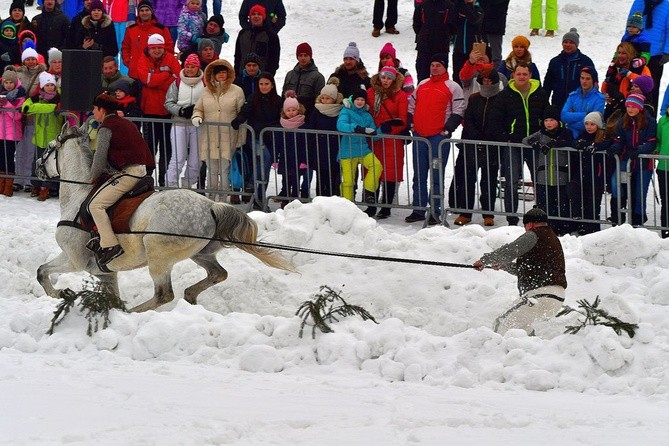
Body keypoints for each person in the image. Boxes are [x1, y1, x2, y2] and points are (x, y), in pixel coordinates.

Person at [473, 206, 567, 336]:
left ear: (530, 224)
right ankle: (532, 351)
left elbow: (511, 250)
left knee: (502, 324)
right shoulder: (551, 238)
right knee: (520, 329)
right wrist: (505, 266)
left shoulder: (533, 235)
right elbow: (529, 269)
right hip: (555, 297)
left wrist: (484, 260)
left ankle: (495, 353)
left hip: (540, 294)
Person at [87, 93, 155, 268]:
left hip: (129, 173)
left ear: (102, 110)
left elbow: (100, 156)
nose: (93, 112)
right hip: (142, 170)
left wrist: (93, 175)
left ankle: (110, 245)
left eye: (95, 109)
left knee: (95, 205)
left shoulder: (106, 127)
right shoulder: (127, 123)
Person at [405, 53, 465, 225]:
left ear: (445, 67)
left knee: (436, 175)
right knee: (419, 173)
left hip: (438, 138)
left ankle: (435, 210)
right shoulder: (423, 84)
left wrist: (447, 129)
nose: (434, 68)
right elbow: (411, 105)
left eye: (438, 65)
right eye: (432, 65)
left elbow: (459, 109)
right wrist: (411, 124)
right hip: (420, 137)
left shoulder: (453, 86)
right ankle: (418, 208)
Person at [489, 62, 549, 226]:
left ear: (530, 75)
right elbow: (495, 119)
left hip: (535, 143)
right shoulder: (505, 94)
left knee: (540, 180)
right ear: (513, 75)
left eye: (525, 74)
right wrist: (505, 137)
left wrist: (544, 135)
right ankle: (511, 217)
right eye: (519, 74)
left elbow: (547, 116)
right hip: (514, 144)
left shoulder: (540, 93)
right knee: (511, 181)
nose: (522, 77)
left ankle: (540, 215)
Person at [448, 68, 502, 227]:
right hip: (471, 144)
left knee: (489, 181)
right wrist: (474, 136)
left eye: (489, 80)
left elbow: (500, 122)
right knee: (467, 179)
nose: (487, 83)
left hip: (491, 145)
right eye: (484, 80)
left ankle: (488, 213)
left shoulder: (501, 99)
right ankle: (465, 212)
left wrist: (491, 136)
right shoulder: (474, 98)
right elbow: (468, 120)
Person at [191, 59, 245, 201]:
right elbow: (199, 108)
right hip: (210, 136)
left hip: (228, 136)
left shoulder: (237, 91)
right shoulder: (206, 91)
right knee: (212, 170)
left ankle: (222, 200)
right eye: (218, 72)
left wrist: (241, 139)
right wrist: (197, 116)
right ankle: (210, 198)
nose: (221, 75)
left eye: (224, 72)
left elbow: (242, 115)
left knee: (224, 169)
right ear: (212, 75)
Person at [231, 72, 282, 209]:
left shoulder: (277, 100)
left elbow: (281, 118)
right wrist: (238, 120)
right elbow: (244, 112)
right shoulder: (253, 98)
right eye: (261, 84)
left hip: (270, 139)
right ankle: (252, 186)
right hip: (256, 137)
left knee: (265, 167)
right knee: (264, 162)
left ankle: (258, 198)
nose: (264, 87)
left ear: (272, 85)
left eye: (266, 84)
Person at [136, 33, 181, 187]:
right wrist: (165, 76)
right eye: (153, 47)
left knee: (167, 148)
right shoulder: (143, 59)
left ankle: (163, 179)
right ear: (148, 48)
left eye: (159, 47)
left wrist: (155, 79)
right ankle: (147, 179)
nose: (156, 50)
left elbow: (177, 79)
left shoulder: (171, 59)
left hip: (167, 111)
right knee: (150, 149)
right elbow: (146, 79)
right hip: (149, 111)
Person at [522, 105, 574, 235]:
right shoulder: (540, 134)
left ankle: (562, 227)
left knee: (560, 203)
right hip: (543, 176)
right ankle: (545, 227)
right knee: (544, 204)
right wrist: (534, 142)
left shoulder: (565, 132)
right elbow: (525, 140)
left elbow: (570, 142)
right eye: (546, 121)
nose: (549, 123)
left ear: (558, 121)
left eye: (551, 120)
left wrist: (554, 143)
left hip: (560, 176)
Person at [365, 62, 408, 218]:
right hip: (373, 138)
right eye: (383, 77)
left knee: (390, 174)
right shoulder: (371, 92)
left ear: (394, 79)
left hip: (391, 139)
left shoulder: (400, 95)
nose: (385, 80)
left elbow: (402, 118)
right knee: (372, 171)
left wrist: (389, 129)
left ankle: (386, 206)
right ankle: (371, 205)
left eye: (389, 78)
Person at [607, 93, 657, 226]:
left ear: (640, 107)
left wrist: (639, 150)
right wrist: (615, 148)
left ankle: (638, 221)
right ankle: (619, 210)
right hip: (626, 158)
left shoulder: (650, 122)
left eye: (633, 106)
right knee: (615, 181)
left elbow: (651, 142)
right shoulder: (624, 121)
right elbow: (619, 139)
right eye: (628, 106)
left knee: (640, 193)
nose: (630, 109)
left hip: (644, 163)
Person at [336, 88, 383, 208]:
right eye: (357, 99)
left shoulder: (367, 115)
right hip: (348, 151)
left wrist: (384, 128)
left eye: (362, 99)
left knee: (376, 166)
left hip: (363, 150)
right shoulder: (346, 111)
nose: (360, 102)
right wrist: (357, 128)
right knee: (348, 181)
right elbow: (341, 125)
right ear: (353, 99)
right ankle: (347, 206)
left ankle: (368, 191)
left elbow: (374, 135)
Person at [164, 53, 205, 188]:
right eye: (187, 66)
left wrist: (200, 111)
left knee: (196, 159)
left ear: (198, 68)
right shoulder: (177, 83)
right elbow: (169, 102)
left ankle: (187, 183)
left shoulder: (205, 83)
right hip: (179, 123)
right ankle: (171, 185)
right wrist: (180, 110)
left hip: (198, 124)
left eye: (192, 67)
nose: (189, 69)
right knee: (178, 157)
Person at [22, 71, 63, 201]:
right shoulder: (37, 97)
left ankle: (46, 188)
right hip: (39, 138)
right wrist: (48, 107)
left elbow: (38, 108)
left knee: (50, 165)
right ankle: (36, 185)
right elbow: (26, 108)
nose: (50, 87)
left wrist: (37, 108)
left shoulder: (60, 97)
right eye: (47, 85)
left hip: (53, 139)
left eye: (52, 84)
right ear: (42, 87)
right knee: (36, 163)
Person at [627, 0, 669, 117]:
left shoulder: (667, 4)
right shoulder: (639, 2)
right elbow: (630, 24)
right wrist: (626, 44)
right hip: (636, 51)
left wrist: (667, 51)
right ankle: (630, 120)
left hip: (656, 55)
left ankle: (650, 119)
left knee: (652, 89)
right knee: (632, 86)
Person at [571, 111, 610, 235]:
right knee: (577, 194)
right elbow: (573, 142)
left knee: (593, 203)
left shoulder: (604, 137)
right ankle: (582, 223)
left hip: (596, 175)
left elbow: (609, 144)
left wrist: (594, 146)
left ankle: (592, 227)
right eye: (587, 124)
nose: (589, 126)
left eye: (592, 124)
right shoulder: (583, 134)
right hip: (583, 172)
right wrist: (579, 144)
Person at [305, 79, 343, 198]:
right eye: (323, 98)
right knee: (321, 179)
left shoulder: (340, 111)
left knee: (335, 179)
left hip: (335, 150)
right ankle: (320, 201)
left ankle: (334, 202)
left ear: (334, 99)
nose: (325, 100)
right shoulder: (317, 110)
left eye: (328, 98)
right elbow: (311, 128)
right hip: (319, 150)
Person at [13, 46, 44, 193]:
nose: (31, 62)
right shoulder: (18, 74)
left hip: (33, 117)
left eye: (33, 59)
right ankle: (18, 179)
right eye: (28, 59)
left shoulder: (42, 74)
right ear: (24, 60)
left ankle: (28, 180)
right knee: (20, 150)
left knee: (30, 150)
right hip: (18, 118)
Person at [543, 28, 595, 110]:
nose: (567, 45)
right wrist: (545, 103)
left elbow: (593, 84)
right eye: (565, 42)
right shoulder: (555, 61)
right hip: (558, 103)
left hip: (579, 104)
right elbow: (548, 84)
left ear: (576, 45)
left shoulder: (585, 61)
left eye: (571, 42)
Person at [121, 0, 173, 80]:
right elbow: (125, 47)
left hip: (155, 73)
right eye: (142, 11)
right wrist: (128, 62)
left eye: (147, 10)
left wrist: (162, 64)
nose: (144, 13)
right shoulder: (131, 29)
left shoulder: (161, 29)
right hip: (135, 73)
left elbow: (169, 48)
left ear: (151, 12)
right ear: (138, 13)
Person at [602, 42, 652, 121]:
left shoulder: (641, 68)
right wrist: (606, 94)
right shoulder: (614, 68)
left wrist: (629, 74)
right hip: (614, 107)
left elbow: (647, 85)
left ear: (630, 54)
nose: (620, 56)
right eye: (619, 53)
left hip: (634, 108)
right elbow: (606, 85)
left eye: (624, 53)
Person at [413, 0, 454, 82]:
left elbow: (453, 27)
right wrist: (423, 34)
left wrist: (445, 35)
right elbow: (416, 25)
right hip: (424, 46)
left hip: (441, 47)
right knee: (422, 76)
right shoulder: (422, 6)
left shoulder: (449, 6)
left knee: (441, 76)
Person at [233, 4, 280, 76]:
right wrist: (237, 74)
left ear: (263, 17)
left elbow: (274, 60)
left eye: (259, 14)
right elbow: (238, 56)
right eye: (253, 14)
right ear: (250, 17)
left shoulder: (271, 35)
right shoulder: (243, 33)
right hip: (242, 76)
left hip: (262, 79)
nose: (256, 16)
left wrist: (268, 76)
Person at [560, 66, 605, 139]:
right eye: (582, 78)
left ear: (593, 80)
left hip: (589, 138)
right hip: (570, 136)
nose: (584, 81)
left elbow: (595, 121)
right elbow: (564, 116)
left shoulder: (599, 98)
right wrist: (586, 114)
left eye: (587, 79)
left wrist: (571, 122)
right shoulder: (572, 96)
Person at [0, 68, 26, 197]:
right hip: (1, 132)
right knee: (1, 158)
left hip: (12, 134)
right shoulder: (1, 94)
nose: (8, 85)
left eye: (11, 82)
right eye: (6, 82)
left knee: (9, 158)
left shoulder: (20, 97)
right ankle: (1, 183)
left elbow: (17, 116)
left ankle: (9, 185)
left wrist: (7, 105)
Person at [282, 42, 325, 115]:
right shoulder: (289, 75)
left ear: (310, 56)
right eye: (300, 55)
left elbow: (319, 101)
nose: (303, 58)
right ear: (297, 57)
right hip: (289, 116)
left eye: (306, 55)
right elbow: (283, 95)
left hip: (308, 116)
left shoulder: (318, 77)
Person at [450, 0, 484, 86]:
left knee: (473, 77)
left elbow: (473, 19)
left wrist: (465, 5)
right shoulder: (457, 6)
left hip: (474, 49)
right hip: (459, 48)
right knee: (457, 76)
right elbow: (452, 22)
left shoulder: (478, 7)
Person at [478, 0, 510, 69]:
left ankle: (495, 75)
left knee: (495, 56)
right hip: (481, 24)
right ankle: (481, 76)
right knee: (480, 55)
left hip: (496, 25)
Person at [656, 103, 669, 238]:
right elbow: (658, 140)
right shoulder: (663, 121)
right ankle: (665, 228)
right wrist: (656, 150)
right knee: (665, 199)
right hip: (664, 167)